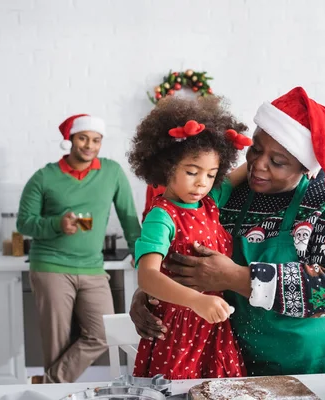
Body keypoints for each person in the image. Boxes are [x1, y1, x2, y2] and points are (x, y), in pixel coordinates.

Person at [130, 87, 325, 375]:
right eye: (256, 149)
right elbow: (178, 247)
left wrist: (235, 276)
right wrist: (150, 293)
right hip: (241, 363)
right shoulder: (225, 195)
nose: (258, 165)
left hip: (321, 364)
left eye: (278, 161)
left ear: (304, 166)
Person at [127, 96, 252, 379]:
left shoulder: (210, 201)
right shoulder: (161, 216)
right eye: (192, 172)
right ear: (166, 167)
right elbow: (147, 277)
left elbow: (248, 166)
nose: (201, 183)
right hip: (178, 331)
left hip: (214, 325)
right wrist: (196, 301)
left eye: (210, 175)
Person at [17, 114, 141, 383]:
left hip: (92, 267)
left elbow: (128, 216)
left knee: (104, 333)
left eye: (96, 140)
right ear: (70, 140)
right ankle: (56, 393)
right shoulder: (44, 177)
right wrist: (56, 224)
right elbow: (24, 222)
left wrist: (139, 252)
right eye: (83, 138)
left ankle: (46, 385)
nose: (89, 145)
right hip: (51, 266)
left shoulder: (112, 172)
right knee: (56, 344)